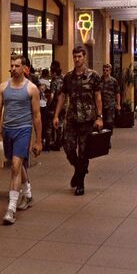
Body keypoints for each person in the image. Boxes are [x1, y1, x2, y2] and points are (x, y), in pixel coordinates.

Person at [0, 54, 42, 225]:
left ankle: (11, 209)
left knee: (15, 167)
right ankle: (28, 193)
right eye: (12, 65)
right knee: (14, 163)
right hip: (8, 131)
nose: (13, 68)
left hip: (23, 131)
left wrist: (39, 141)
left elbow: (37, 116)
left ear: (24, 68)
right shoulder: (3, 87)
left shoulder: (31, 89)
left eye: (17, 66)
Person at [53, 46, 103, 196]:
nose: (77, 59)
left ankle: (80, 182)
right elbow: (62, 97)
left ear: (84, 57)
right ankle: (79, 169)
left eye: (79, 56)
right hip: (72, 119)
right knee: (68, 148)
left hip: (87, 120)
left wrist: (99, 117)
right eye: (75, 56)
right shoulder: (68, 77)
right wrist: (56, 115)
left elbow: (98, 97)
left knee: (83, 152)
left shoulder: (93, 76)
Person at [101, 63, 121, 135]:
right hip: (102, 104)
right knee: (102, 122)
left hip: (110, 105)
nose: (105, 72)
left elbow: (117, 93)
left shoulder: (114, 81)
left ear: (110, 71)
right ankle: (103, 137)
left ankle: (109, 136)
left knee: (109, 122)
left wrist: (118, 104)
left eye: (107, 70)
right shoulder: (100, 80)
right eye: (104, 70)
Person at [48, 61, 64, 151]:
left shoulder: (54, 82)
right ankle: (58, 143)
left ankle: (50, 143)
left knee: (51, 125)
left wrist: (48, 104)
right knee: (60, 125)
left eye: (51, 72)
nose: (50, 74)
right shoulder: (63, 79)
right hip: (63, 106)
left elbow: (52, 95)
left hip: (54, 106)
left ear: (54, 73)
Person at [38, 69, 51, 150]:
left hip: (38, 104)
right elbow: (50, 95)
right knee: (44, 123)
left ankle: (39, 139)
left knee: (39, 122)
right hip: (44, 104)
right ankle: (44, 140)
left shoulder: (38, 82)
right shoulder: (48, 83)